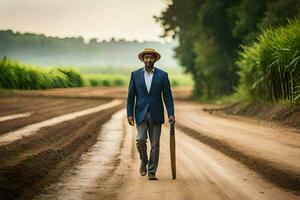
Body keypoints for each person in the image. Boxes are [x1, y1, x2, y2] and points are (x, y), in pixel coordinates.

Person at [126, 48, 175, 180]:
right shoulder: (135, 75)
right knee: (140, 139)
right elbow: (131, 97)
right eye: (146, 57)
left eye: (151, 58)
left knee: (155, 145)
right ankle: (144, 160)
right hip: (140, 113)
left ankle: (152, 171)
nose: (148, 60)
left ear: (155, 59)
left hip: (156, 113)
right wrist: (129, 114)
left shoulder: (162, 75)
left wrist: (171, 114)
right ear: (143, 59)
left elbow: (168, 97)